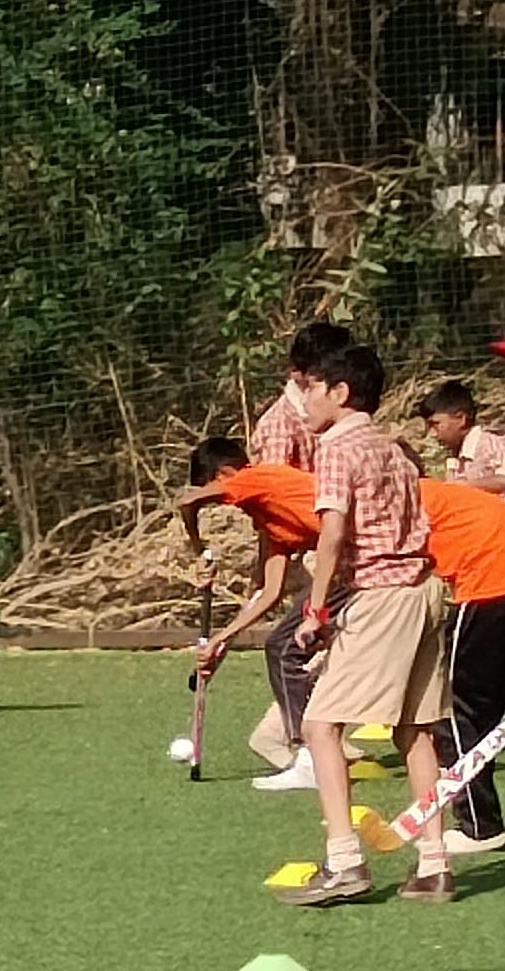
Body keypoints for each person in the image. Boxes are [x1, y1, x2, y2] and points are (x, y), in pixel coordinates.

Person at [277, 340, 454, 908]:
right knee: (415, 729)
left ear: (340, 393)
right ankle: (434, 864)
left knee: (320, 725)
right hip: (425, 592)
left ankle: (345, 861)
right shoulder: (394, 448)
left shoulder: (335, 448)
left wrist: (316, 609)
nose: (303, 398)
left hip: (381, 597)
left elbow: (332, 536)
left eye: (311, 388)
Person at [405, 469, 505, 853]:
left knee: (454, 707)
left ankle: (479, 823)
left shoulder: (403, 498)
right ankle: (470, 804)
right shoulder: (438, 494)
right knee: (480, 711)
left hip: (490, 583)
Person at [245, 320, 361, 791]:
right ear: (301, 376)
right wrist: (271, 567)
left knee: (317, 643)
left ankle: (309, 744)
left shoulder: (338, 418)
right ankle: (302, 745)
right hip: (313, 549)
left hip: (340, 544)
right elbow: (271, 497)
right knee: (301, 643)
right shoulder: (280, 424)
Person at [176, 435, 321, 774]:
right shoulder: (272, 519)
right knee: (283, 646)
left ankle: (309, 757)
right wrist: (219, 641)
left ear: (226, 473)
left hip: (364, 568)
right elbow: (269, 594)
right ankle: (309, 752)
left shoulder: (259, 478)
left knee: (284, 648)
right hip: (347, 573)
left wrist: (200, 550)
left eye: (217, 492)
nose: (222, 505)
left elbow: (187, 501)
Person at [419, 378, 505, 494]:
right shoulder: (457, 454)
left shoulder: (492, 445)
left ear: (461, 418)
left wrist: (465, 485)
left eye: (435, 424)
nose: (432, 434)